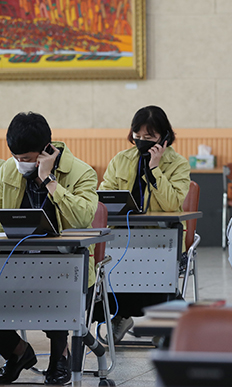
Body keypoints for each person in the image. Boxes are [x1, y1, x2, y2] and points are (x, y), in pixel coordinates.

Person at [0, 112, 98, 385]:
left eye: (27, 159)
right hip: (15, 264)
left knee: (57, 281)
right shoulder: (7, 170)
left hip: (68, 268)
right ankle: (17, 351)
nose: (20, 164)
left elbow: (83, 218)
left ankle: (59, 357)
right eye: (16, 157)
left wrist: (48, 180)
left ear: (46, 150)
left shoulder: (81, 172)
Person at [96, 105, 190, 343]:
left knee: (153, 264)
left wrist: (155, 169)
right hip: (122, 234)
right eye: (137, 137)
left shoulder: (178, 164)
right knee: (111, 262)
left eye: (149, 138)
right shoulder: (121, 159)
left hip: (160, 236)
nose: (142, 142)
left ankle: (165, 320)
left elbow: (171, 203)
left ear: (164, 136)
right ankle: (121, 314)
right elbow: (104, 197)